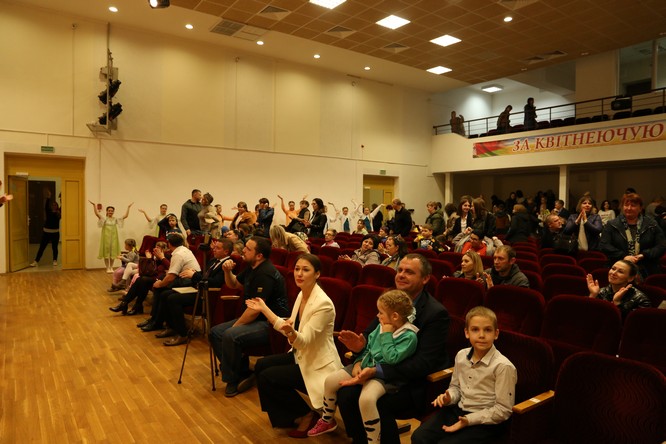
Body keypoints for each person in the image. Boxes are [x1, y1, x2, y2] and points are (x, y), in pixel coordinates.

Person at [337, 254, 450, 444]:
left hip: (411, 382)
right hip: (380, 370)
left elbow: (423, 364)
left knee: (379, 402)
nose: (401, 275)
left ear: (425, 279)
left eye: (409, 272)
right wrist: (358, 355)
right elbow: (368, 339)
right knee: (346, 393)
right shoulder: (390, 301)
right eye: (400, 270)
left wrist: (377, 371)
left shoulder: (436, 313)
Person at [307, 290, 419, 441]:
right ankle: (327, 420)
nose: (377, 316)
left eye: (381, 312)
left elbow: (392, 359)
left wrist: (386, 335)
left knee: (367, 399)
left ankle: (373, 440)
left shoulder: (409, 336)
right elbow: (368, 348)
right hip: (365, 365)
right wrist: (358, 362)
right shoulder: (381, 325)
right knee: (330, 381)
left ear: (394, 316)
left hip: (382, 375)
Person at [251, 254, 342, 437]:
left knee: (268, 377)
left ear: (317, 274)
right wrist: (265, 309)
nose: (299, 274)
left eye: (305, 270)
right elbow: (290, 328)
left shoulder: (323, 304)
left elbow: (302, 340)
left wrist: (290, 332)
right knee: (261, 366)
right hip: (302, 354)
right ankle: (288, 416)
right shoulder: (302, 294)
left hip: (317, 363)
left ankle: (306, 415)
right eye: (297, 269)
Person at [411, 306, 517, 444]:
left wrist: (468, 420)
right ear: (467, 333)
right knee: (419, 437)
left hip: (485, 421)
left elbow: (503, 410)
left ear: (496, 334)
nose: (481, 335)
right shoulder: (461, 355)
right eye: (475, 329)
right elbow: (455, 387)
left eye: (487, 330)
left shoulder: (503, 366)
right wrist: (449, 397)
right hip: (458, 410)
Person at [209, 237, 289, 397]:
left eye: (248, 248)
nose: (243, 250)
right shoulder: (252, 267)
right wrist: (227, 271)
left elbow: (254, 310)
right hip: (255, 319)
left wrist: (234, 327)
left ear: (259, 255)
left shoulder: (265, 273)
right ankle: (242, 372)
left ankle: (233, 379)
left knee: (229, 334)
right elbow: (234, 284)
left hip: (270, 324)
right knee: (215, 332)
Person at [160, 238, 234, 346]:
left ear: (226, 251)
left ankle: (182, 334)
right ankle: (171, 327)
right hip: (198, 289)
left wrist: (194, 275)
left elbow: (215, 282)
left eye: (217, 248)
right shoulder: (214, 260)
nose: (214, 250)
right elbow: (204, 275)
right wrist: (194, 272)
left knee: (173, 299)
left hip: (208, 295)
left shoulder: (227, 264)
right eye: (214, 247)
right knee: (165, 294)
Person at [138, 234, 201, 333]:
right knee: (160, 288)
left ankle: (157, 322)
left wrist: (160, 284)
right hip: (185, 279)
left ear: (169, 244)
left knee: (160, 289)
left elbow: (171, 276)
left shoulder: (178, 254)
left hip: (189, 282)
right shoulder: (183, 250)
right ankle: (154, 319)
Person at [600, 192, 666, 278]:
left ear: (640, 208)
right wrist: (623, 256)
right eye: (626, 205)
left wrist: (644, 255)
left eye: (633, 205)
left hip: (647, 268)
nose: (629, 208)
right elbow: (604, 245)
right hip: (619, 268)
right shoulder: (612, 224)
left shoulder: (652, 224)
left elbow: (661, 245)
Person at [111, 241, 170, 315]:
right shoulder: (156, 256)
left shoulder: (167, 255)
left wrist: (161, 257)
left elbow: (168, 267)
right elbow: (151, 268)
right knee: (141, 281)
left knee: (142, 280)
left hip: (161, 278)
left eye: (158, 248)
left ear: (163, 249)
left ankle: (127, 305)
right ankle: (132, 305)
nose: (155, 249)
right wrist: (151, 258)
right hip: (154, 276)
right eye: (155, 247)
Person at [587, 260, 651, 320]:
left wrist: (617, 303)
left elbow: (631, 323)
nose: (613, 273)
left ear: (630, 278)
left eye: (620, 272)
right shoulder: (601, 291)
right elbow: (589, 316)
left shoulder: (641, 299)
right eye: (613, 269)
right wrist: (593, 295)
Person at [89, 200, 133, 272]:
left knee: (113, 253)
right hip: (105, 238)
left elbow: (125, 216)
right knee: (106, 253)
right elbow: (97, 214)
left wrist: (128, 207)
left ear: (113, 212)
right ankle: (107, 267)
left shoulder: (115, 219)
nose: (110, 212)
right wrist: (94, 205)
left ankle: (111, 267)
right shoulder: (104, 218)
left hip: (114, 238)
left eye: (112, 211)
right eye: (109, 211)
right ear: (107, 211)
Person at [30, 189, 61, 267]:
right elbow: (46, 205)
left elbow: (63, 205)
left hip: (55, 233)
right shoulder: (48, 211)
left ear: (57, 206)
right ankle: (36, 261)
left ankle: (55, 260)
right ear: (51, 206)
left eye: (55, 205)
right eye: (53, 205)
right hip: (46, 233)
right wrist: (48, 197)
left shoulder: (59, 213)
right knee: (42, 248)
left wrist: (61, 198)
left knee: (54, 248)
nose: (54, 206)